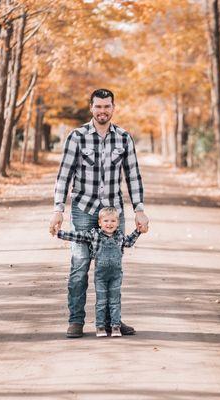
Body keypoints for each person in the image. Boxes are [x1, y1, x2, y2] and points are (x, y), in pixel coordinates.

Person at [49, 88, 149, 338]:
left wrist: (139, 209)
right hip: (83, 210)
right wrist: (58, 210)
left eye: (107, 106)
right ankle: (76, 320)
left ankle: (111, 320)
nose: (102, 111)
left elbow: (133, 176)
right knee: (80, 266)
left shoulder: (124, 138)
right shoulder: (77, 137)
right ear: (91, 108)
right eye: (98, 106)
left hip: (113, 213)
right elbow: (64, 175)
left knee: (111, 267)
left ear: (113, 107)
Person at [56, 207, 141, 337]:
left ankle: (115, 325)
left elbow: (129, 241)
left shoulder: (119, 236)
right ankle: (100, 326)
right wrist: (60, 233)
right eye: (106, 220)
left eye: (113, 221)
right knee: (101, 301)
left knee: (115, 300)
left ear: (118, 223)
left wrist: (138, 231)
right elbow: (78, 236)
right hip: (101, 276)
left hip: (116, 276)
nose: (109, 224)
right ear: (100, 222)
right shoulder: (94, 235)